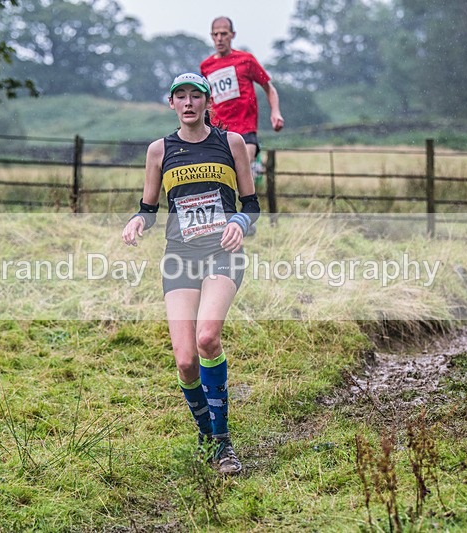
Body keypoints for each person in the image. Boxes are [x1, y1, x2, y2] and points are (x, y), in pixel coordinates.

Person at [122, 72, 259, 475]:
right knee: (184, 362)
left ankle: (223, 443)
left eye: (194, 96)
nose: (187, 103)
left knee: (207, 337)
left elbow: (251, 204)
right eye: (179, 96)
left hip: (222, 253)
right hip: (179, 257)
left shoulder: (230, 143)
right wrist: (136, 223)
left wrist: (239, 222)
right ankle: (206, 434)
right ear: (171, 104)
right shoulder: (159, 151)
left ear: (206, 101)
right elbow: (148, 208)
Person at [200, 16, 284, 184]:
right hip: (219, 130)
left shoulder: (246, 60)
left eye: (223, 34)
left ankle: (253, 179)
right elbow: (204, 100)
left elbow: (269, 88)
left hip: (245, 129)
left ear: (232, 35)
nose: (219, 38)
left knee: (241, 170)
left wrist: (276, 112)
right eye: (215, 34)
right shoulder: (206, 66)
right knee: (222, 179)